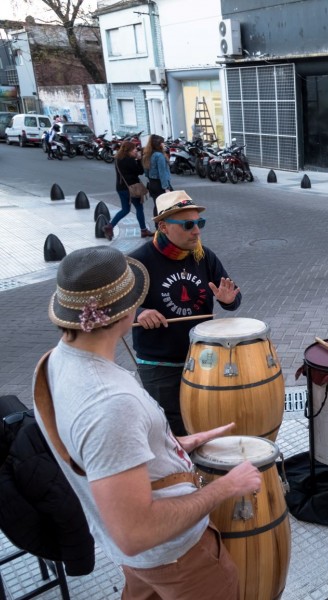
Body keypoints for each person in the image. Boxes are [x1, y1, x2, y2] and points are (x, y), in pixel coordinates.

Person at [38, 245, 261, 599]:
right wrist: (226, 486)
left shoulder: (54, 363)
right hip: (176, 558)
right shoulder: (110, 404)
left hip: (142, 562)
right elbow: (136, 532)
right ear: (128, 312)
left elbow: (99, 457)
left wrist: (173, 444)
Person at [130, 191, 242, 436]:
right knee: (173, 434)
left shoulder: (204, 256)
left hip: (203, 359)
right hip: (160, 366)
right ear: (163, 226)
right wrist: (138, 313)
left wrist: (229, 300)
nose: (197, 231)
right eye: (189, 224)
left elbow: (234, 298)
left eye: (199, 223)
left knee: (207, 424)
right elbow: (113, 308)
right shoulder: (138, 262)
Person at [105, 141, 153, 241]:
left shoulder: (118, 159)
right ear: (129, 150)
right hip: (131, 188)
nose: (136, 150)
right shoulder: (129, 160)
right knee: (139, 208)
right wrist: (139, 160)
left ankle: (110, 226)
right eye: (134, 149)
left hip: (120, 188)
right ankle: (143, 230)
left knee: (125, 209)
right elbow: (140, 172)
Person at [142, 134, 172, 215]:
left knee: (157, 206)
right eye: (163, 143)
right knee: (167, 207)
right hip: (160, 185)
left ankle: (157, 226)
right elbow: (162, 173)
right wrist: (166, 188)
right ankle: (165, 225)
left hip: (152, 184)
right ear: (159, 144)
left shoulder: (147, 155)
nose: (164, 144)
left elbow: (146, 172)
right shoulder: (159, 156)